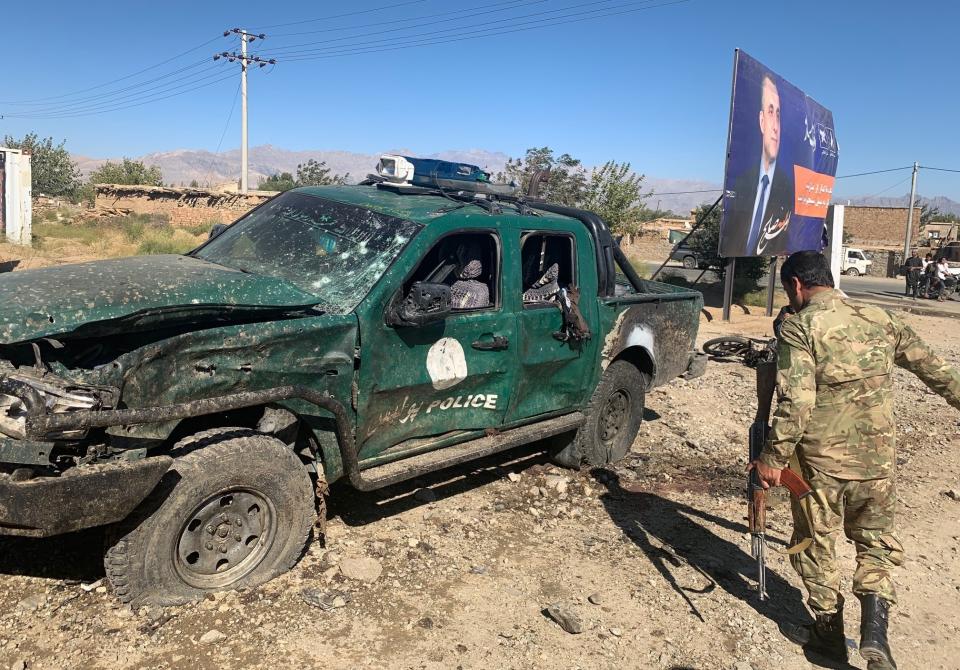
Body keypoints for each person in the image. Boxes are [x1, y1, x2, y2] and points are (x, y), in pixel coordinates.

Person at [749, 251, 960, 669]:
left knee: (814, 543)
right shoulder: (880, 318)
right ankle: (875, 633)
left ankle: (828, 636)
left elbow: (797, 402)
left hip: (818, 467)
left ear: (795, 286)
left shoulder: (800, 328)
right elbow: (937, 371)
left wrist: (772, 458)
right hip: (878, 463)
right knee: (876, 543)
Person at [723, 73, 796, 257]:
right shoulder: (741, 182)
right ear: (762, 121)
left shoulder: (787, 188)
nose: (776, 127)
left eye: (778, 115)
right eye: (771, 112)